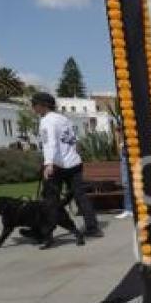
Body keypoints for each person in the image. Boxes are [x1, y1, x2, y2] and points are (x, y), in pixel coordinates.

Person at [33, 92, 102, 241]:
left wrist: (49, 164)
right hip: (74, 163)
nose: (33, 108)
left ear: (43, 105)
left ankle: (45, 232)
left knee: (50, 199)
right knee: (80, 196)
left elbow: (49, 142)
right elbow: (74, 140)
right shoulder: (64, 119)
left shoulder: (46, 121)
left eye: (35, 105)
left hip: (58, 165)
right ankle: (93, 227)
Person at [114, 125, 133, 219]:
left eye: (119, 130)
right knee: (126, 184)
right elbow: (118, 153)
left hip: (129, 160)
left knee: (130, 184)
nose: (118, 132)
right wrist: (117, 139)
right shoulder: (121, 142)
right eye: (118, 131)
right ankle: (128, 209)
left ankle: (130, 209)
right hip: (124, 161)